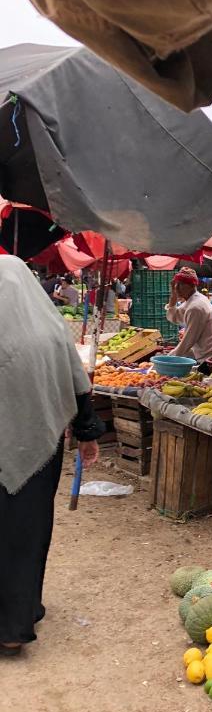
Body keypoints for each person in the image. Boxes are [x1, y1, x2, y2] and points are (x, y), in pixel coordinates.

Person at [0, 256, 104, 656]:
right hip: (38, 451)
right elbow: (78, 384)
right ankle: (17, 620)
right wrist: (87, 434)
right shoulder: (50, 328)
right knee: (29, 531)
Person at [166, 267, 212, 367]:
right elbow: (174, 317)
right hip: (209, 355)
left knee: (203, 379)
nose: (176, 288)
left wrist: (167, 359)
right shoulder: (192, 300)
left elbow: (188, 341)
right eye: (175, 284)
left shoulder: (196, 306)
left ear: (192, 286)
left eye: (181, 284)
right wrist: (173, 297)